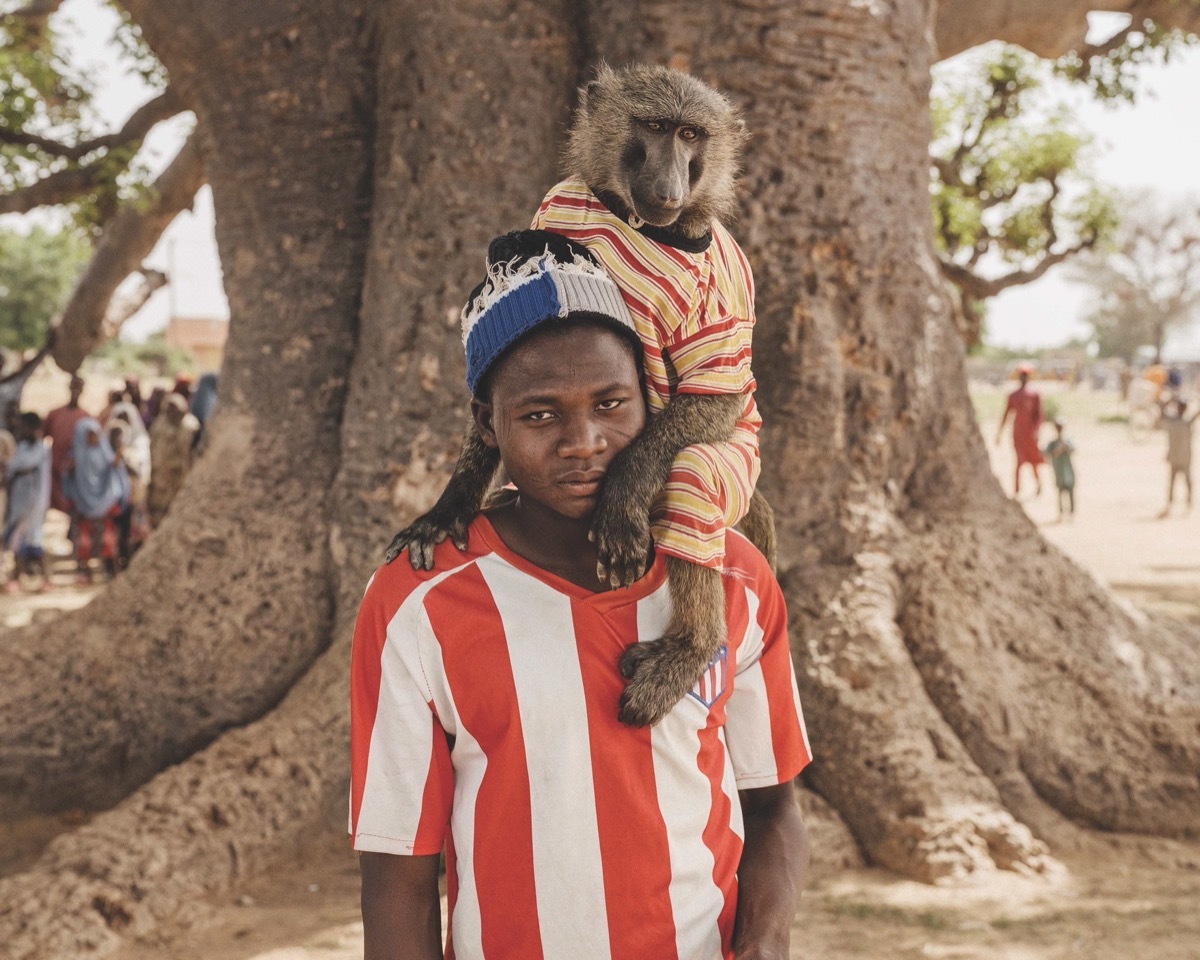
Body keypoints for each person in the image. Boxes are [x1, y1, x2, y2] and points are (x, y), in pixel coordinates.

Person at [350, 235, 811, 960]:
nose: (583, 441)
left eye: (610, 403)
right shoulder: (420, 599)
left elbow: (773, 803)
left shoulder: (730, 574)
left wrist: (764, 943)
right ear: (486, 424)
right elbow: (399, 873)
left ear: (650, 402)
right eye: (540, 415)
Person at [63, 417, 130, 580]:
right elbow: (68, 480)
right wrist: (70, 471)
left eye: (95, 434)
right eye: (89, 435)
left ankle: (110, 571)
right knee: (83, 540)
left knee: (107, 539)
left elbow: (114, 469)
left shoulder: (104, 452)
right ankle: (83, 571)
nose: (93, 438)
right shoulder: (75, 455)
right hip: (82, 503)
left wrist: (119, 454)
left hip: (103, 502)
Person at [2, 412, 51, 593]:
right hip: (19, 503)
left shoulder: (42, 449)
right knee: (16, 544)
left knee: (33, 542)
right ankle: (15, 579)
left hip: (34, 504)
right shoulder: (21, 448)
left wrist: (7, 464)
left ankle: (45, 579)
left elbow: (21, 466)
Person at [105, 402, 152, 561]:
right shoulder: (108, 441)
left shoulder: (140, 441)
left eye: (126, 418)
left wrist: (124, 457)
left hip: (135, 493)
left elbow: (140, 469)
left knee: (132, 529)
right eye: (120, 418)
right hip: (113, 495)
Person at [43, 374, 91, 515]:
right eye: (74, 386)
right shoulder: (54, 414)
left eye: (79, 387)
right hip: (54, 465)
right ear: (69, 387)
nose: (76, 390)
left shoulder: (86, 417)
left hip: (73, 469)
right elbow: (41, 435)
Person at [147, 393, 198, 527]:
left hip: (177, 475)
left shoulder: (189, 426)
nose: (170, 412)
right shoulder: (159, 425)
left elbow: (189, 453)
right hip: (159, 474)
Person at [995, 363, 1043, 496]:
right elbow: (1006, 414)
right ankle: (1016, 490)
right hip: (1018, 433)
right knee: (1018, 461)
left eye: (1025, 375)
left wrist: (1037, 431)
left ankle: (1038, 484)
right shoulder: (1013, 395)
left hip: (1030, 434)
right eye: (1022, 375)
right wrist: (999, 433)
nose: (1023, 378)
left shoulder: (1034, 394)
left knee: (1033, 460)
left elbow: (1039, 415)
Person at [1160, 398, 1198, 517]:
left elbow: (1161, 410)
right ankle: (1175, 505)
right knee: (1176, 482)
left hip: (1181, 457)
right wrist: (1170, 400)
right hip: (1179, 457)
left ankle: (1187, 504)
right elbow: (1161, 410)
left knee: (1183, 482)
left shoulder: (1183, 421)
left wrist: (1169, 401)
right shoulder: (1181, 421)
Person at [1042, 419, 1076, 521]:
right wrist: (1058, 450)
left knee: (1070, 493)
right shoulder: (1053, 443)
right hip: (1059, 472)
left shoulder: (1067, 441)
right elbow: (1046, 453)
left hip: (1068, 471)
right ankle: (1061, 513)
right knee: (1060, 493)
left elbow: (1073, 450)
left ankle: (1070, 513)